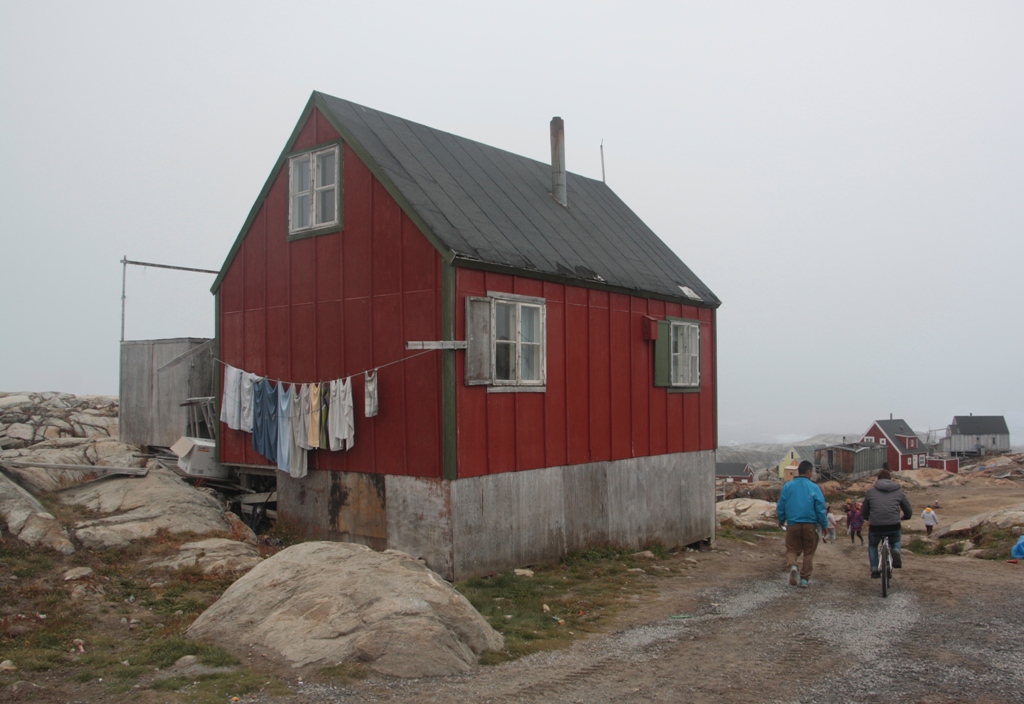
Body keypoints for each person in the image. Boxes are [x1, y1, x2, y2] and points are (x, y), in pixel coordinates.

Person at [776, 460, 828, 588]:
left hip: (793, 524)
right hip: (810, 525)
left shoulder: (788, 486)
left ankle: (793, 565)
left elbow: (781, 506)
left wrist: (781, 520)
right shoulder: (814, 487)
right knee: (809, 552)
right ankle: (804, 579)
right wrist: (824, 524)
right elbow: (820, 508)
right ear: (809, 472)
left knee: (792, 549)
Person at [861, 468, 912, 578]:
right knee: (896, 540)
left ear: (877, 479)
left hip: (876, 526)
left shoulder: (870, 492)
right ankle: (895, 550)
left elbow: (864, 510)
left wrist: (866, 517)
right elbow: (908, 509)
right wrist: (906, 516)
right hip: (893, 524)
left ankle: (874, 570)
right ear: (890, 479)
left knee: (873, 545)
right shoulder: (899, 491)